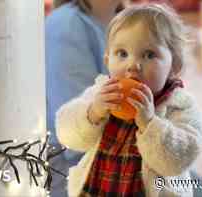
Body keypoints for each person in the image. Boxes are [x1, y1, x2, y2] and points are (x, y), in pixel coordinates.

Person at [55, 4, 202, 196]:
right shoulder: (102, 93)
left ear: (174, 66)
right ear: (107, 59)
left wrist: (150, 124)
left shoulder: (179, 105)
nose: (133, 65)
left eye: (149, 54)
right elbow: (67, 136)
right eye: (122, 54)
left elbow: (180, 159)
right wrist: (92, 113)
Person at [45, 0, 126, 196]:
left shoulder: (125, 21)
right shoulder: (66, 25)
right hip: (71, 162)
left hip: (119, 145)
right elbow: (77, 136)